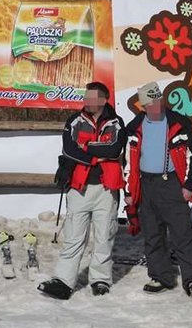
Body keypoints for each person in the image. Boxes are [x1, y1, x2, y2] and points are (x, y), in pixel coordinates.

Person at [37, 81, 126, 300]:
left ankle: (100, 280)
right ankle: (63, 281)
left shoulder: (116, 122)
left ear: (104, 100)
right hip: (79, 187)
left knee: (105, 236)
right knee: (74, 236)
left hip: (107, 188)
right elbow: (69, 150)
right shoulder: (74, 121)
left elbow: (115, 149)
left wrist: (87, 147)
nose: (87, 101)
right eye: (86, 97)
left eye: (92, 98)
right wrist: (98, 152)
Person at [124, 82, 192, 299]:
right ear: (142, 106)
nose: (156, 107)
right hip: (146, 184)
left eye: (158, 101)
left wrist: (190, 186)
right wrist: (129, 190)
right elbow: (127, 161)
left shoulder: (178, 123)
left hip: (170, 183)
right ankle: (160, 276)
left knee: (182, 234)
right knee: (152, 234)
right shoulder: (134, 127)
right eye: (150, 103)